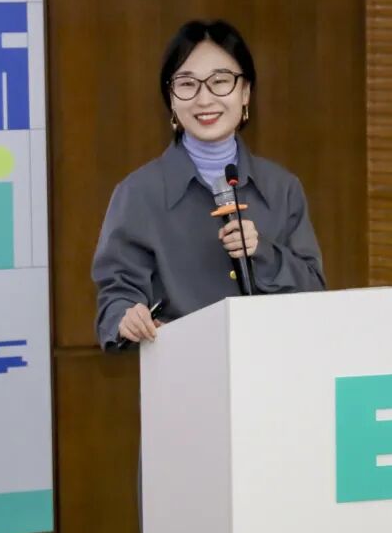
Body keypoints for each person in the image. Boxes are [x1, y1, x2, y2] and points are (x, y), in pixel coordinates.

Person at [92, 19, 325, 350]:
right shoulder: (138, 193)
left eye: (220, 81)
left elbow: (315, 293)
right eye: (187, 84)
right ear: (171, 98)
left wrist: (262, 252)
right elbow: (115, 297)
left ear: (245, 92)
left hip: (272, 366)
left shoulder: (282, 188)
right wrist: (127, 317)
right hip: (182, 367)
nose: (204, 99)